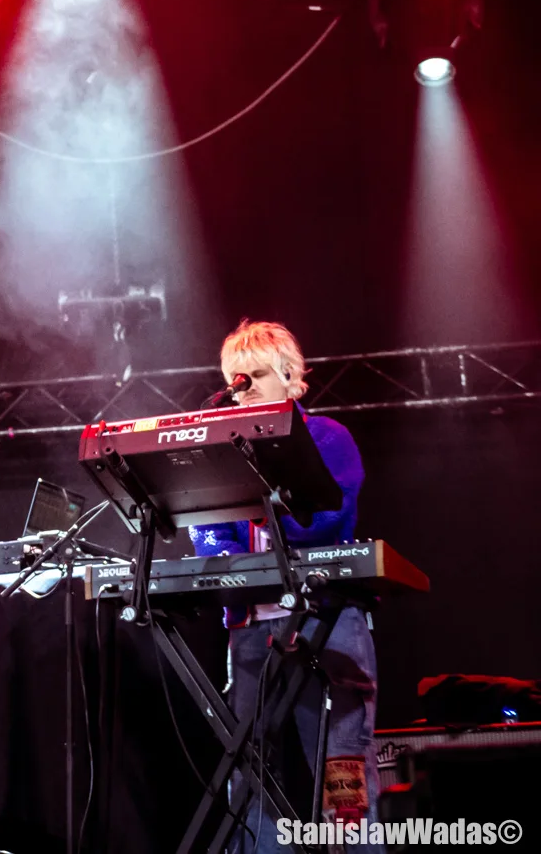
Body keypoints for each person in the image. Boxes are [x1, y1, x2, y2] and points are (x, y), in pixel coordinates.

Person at [191, 320, 376, 850]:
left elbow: (323, 520)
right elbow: (208, 530)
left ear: (290, 376)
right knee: (248, 764)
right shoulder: (225, 445)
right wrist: (224, 553)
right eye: (234, 379)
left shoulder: (327, 437)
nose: (241, 388)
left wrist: (258, 503)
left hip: (327, 619)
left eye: (253, 376)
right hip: (252, 627)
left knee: (343, 759)